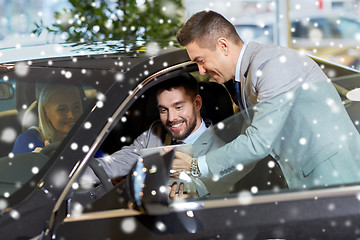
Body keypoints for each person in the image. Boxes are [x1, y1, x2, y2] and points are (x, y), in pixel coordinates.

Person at [173, 10, 360, 190]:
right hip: (312, 184)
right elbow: (248, 151)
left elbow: (257, 144)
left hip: (336, 178)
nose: (202, 71)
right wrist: (200, 188)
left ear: (223, 46)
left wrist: (195, 165)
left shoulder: (272, 65)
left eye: (201, 60)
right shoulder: (249, 76)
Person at [82, 73, 252, 197]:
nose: (171, 118)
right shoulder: (155, 134)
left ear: (197, 103)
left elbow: (214, 197)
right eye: (164, 110)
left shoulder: (223, 152)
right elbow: (114, 164)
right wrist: (67, 175)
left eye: (179, 107)